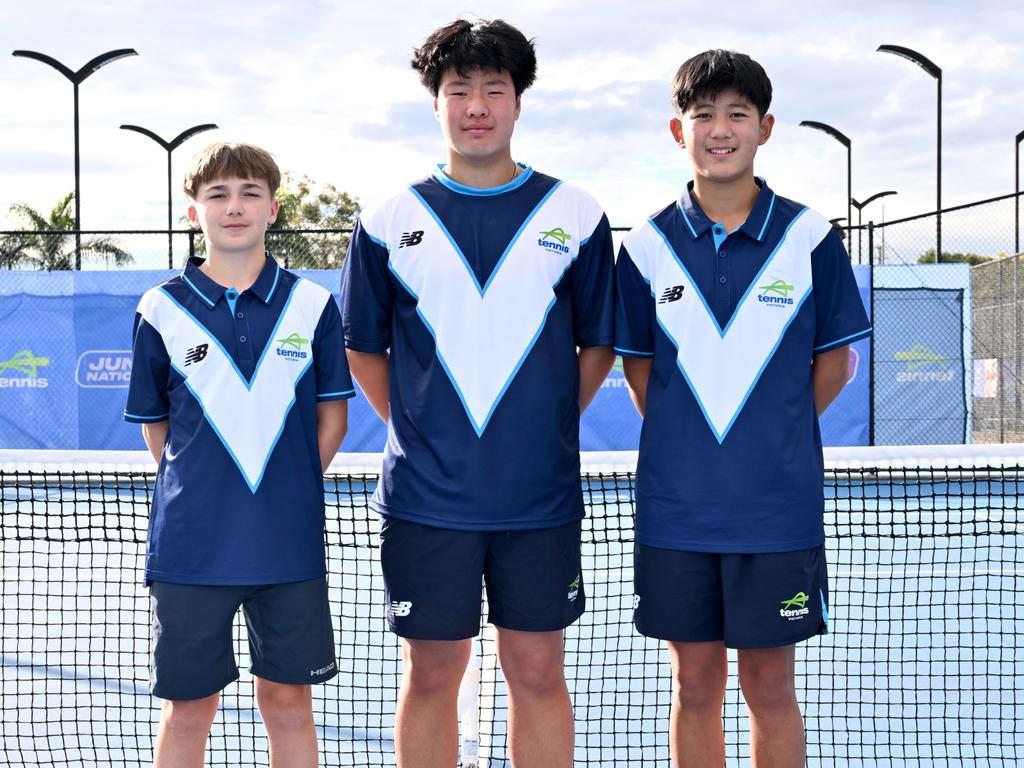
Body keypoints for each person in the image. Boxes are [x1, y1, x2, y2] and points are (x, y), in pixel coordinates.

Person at [339, 18, 615, 768]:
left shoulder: (578, 215)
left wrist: (551, 423)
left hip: (539, 499)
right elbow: (365, 351)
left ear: (519, 101)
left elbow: (599, 346)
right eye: (459, 89)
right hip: (427, 503)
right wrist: (420, 429)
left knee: (536, 672)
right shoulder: (388, 220)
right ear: (435, 102)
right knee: (431, 675)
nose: (477, 105)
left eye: (495, 88)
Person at [614, 50, 871, 767]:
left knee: (770, 686)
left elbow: (836, 364)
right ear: (678, 130)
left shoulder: (810, 237)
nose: (719, 130)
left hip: (776, 511)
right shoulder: (645, 248)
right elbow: (641, 374)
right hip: (677, 514)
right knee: (693, 685)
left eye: (736, 115)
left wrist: (774, 430)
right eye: (704, 115)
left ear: (765, 128)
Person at [124, 142, 354, 768]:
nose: (234, 206)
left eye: (250, 193)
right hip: (192, 549)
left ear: (273, 209)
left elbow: (332, 413)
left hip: (288, 544)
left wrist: (290, 484)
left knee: (287, 702)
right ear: (193, 211)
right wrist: (204, 486)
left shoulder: (313, 305)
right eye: (218, 195)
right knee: (190, 709)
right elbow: (158, 432)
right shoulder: (160, 308)